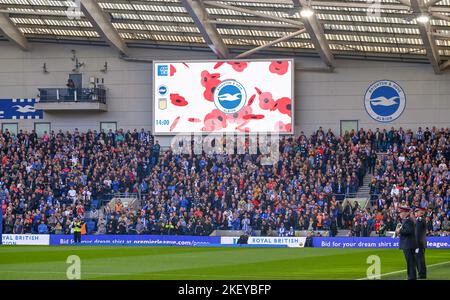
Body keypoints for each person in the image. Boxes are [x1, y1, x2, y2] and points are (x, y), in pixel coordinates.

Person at [396, 206, 418, 280]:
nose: (400, 214)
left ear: (405, 213)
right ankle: (411, 276)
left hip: (408, 244)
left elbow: (408, 231)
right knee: (410, 262)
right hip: (408, 244)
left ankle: (411, 277)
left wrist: (399, 231)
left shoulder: (408, 220)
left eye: (401, 212)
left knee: (410, 262)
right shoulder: (407, 220)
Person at [415, 207, 427, 279]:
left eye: (417, 211)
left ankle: (421, 274)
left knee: (419, 259)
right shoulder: (419, 220)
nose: (415, 213)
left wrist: (416, 244)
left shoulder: (420, 220)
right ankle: (422, 273)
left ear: (421, 212)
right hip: (421, 243)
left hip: (419, 243)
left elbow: (418, 234)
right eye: (415, 212)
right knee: (420, 259)